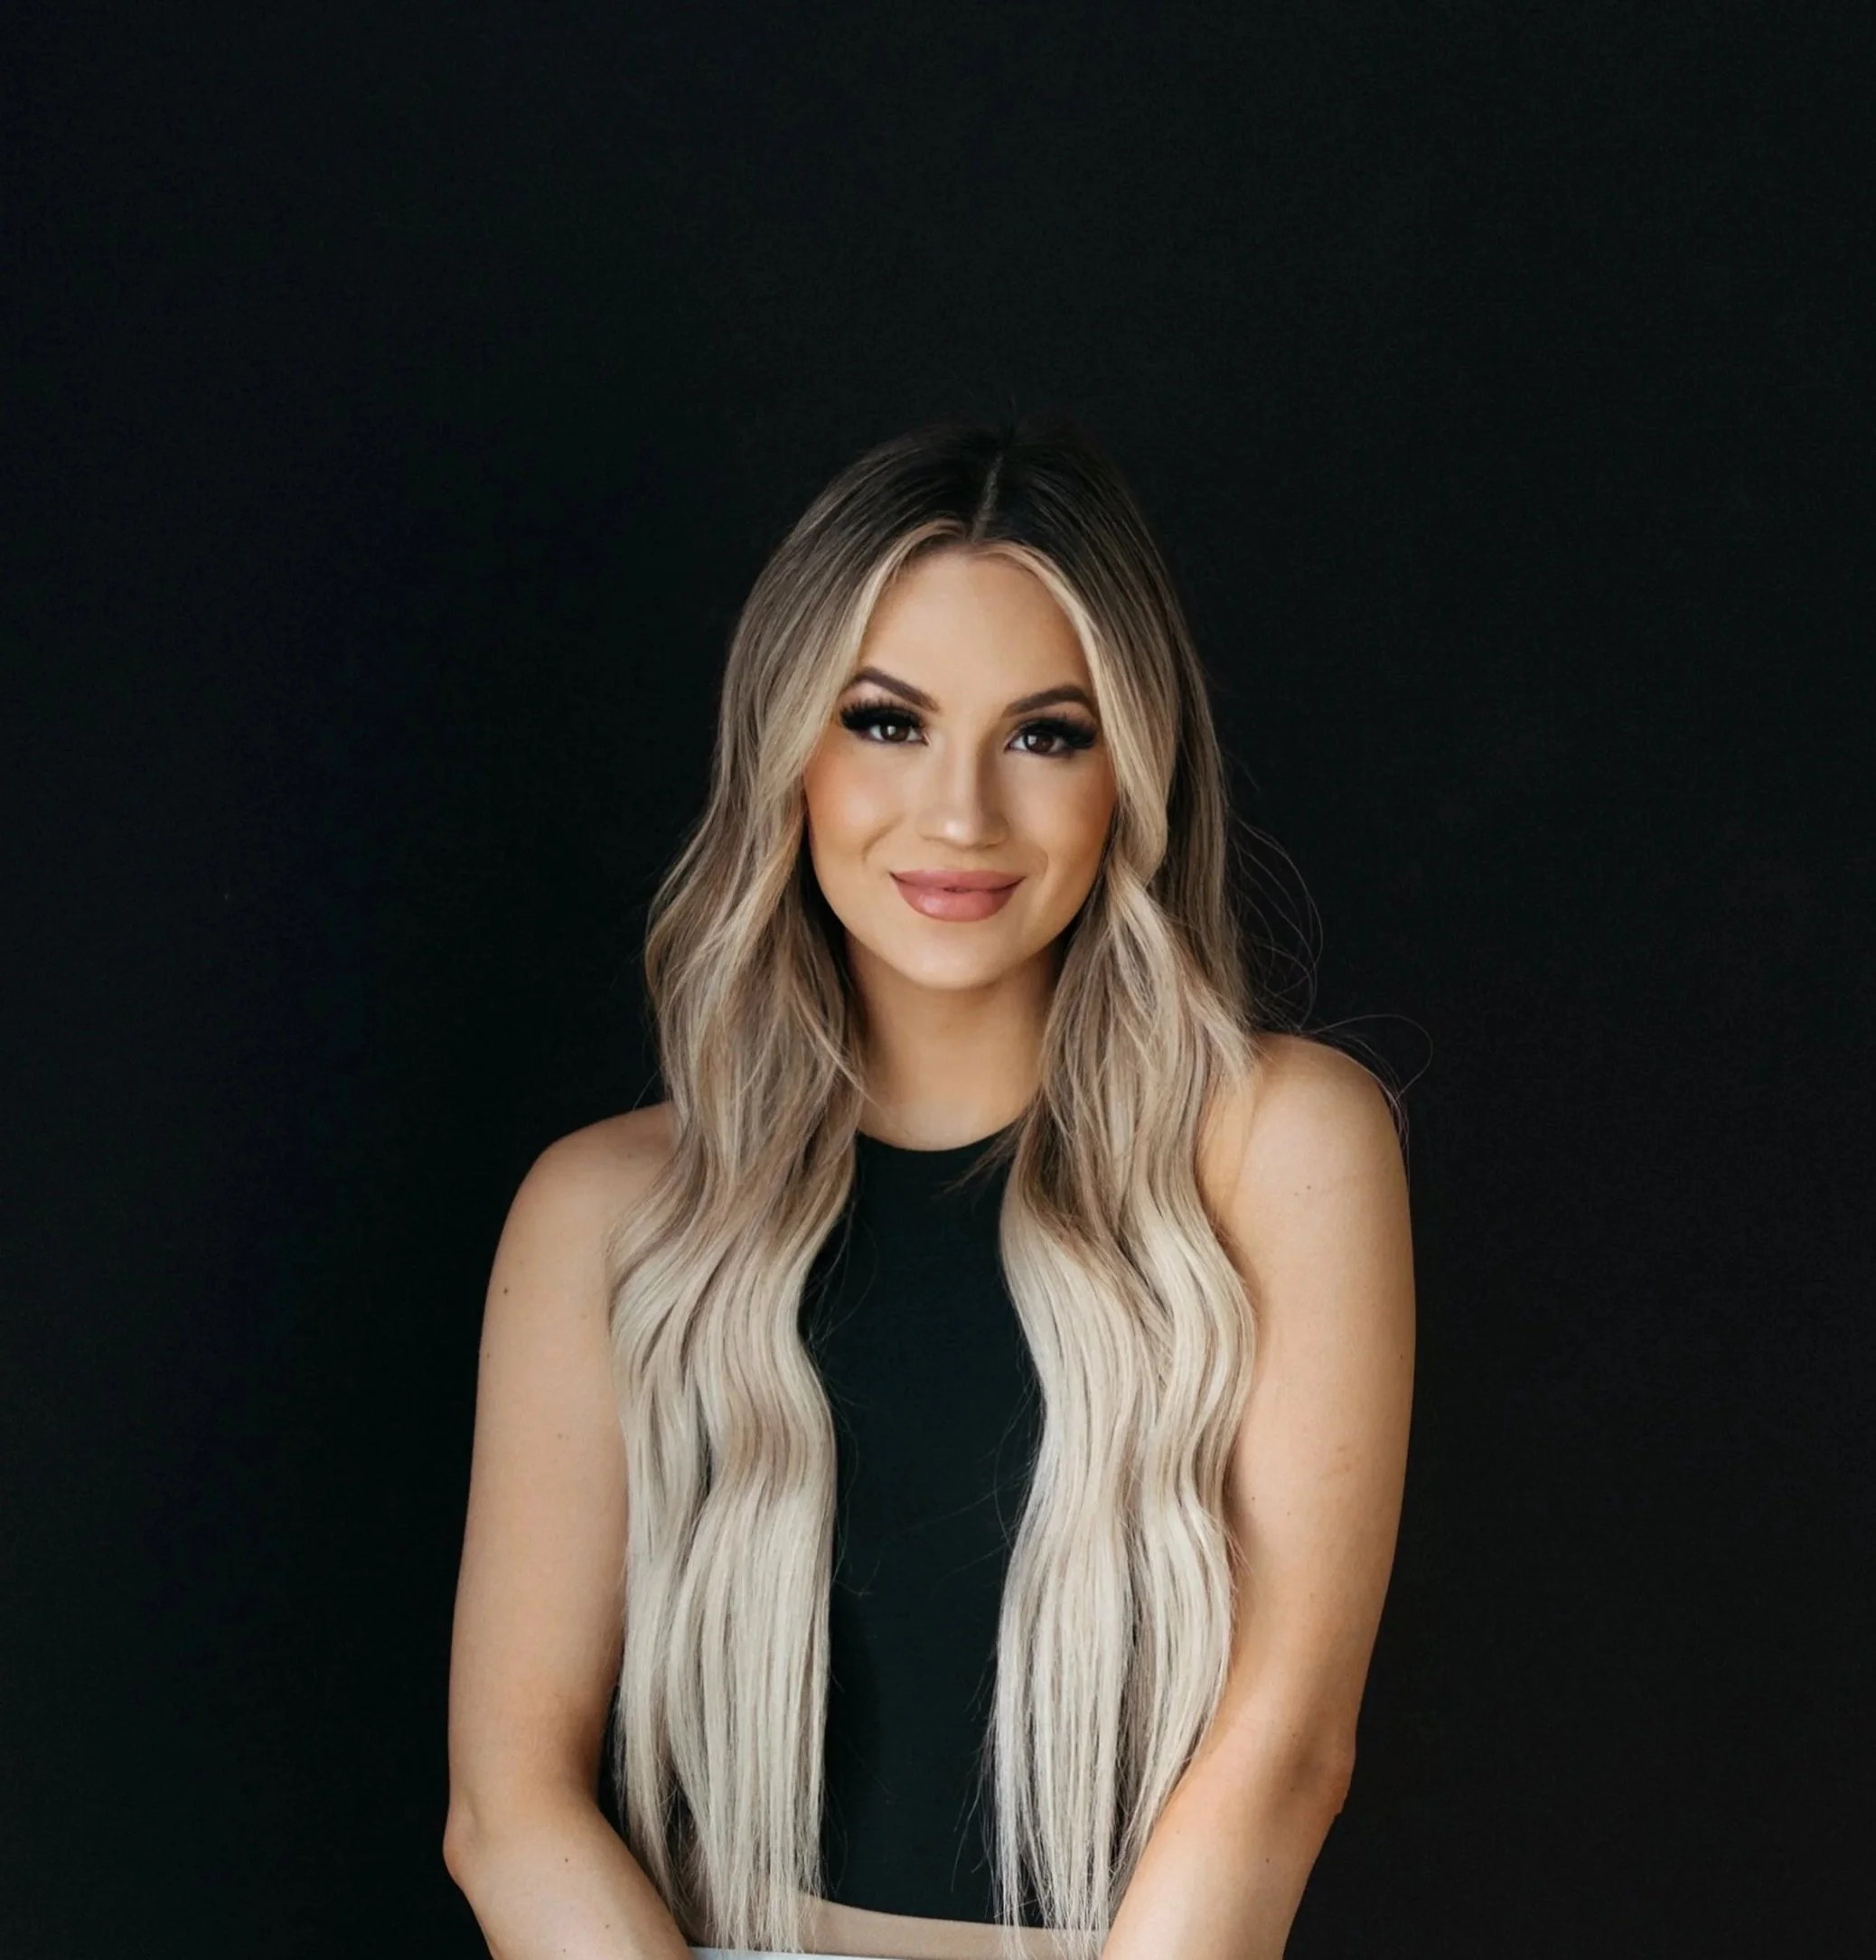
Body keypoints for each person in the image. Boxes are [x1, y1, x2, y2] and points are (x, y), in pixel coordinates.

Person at [442, 417, 1415, 1960]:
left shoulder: (1279, 1147)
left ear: (1134, 775)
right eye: (888, 722)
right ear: (790, 751)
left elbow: (1286, 1752)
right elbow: (510, 1804)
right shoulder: (606, 1214)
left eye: (1047, 734)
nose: (961, 817)